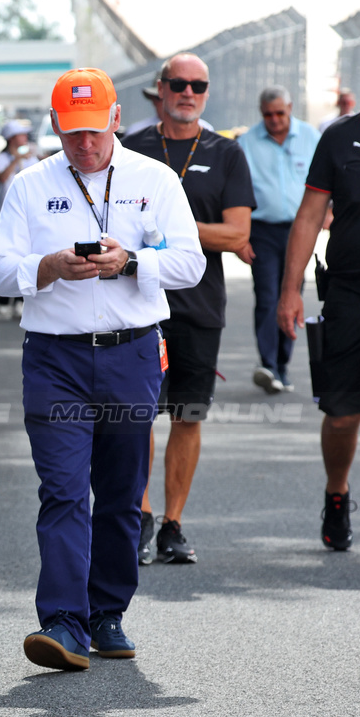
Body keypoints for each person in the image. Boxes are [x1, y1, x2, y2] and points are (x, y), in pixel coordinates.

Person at [0, 67, 204, 671]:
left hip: (131, 352)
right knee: (61, 490)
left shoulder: (153, 179)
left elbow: (191, 264)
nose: (84, 144)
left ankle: (107, 612)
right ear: (56, 124)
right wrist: (48, 267)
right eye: (72, 132)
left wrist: (132, 262)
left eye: (94, 131)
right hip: (55, 358)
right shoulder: (30, 185)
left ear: (114, 119)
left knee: (119, 492)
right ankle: (61, 620)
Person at [122, 53, 255, 566]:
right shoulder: (132, 148)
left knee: (188, 414)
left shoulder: (226, 152)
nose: (188, 92)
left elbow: (237, 233)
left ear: (206, 92)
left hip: (199, 306)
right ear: (161, 89)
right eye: (178, 83)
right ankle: (140, 516)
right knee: (136, 417)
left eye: (197, 85)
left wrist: (173, 231)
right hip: (137, 304)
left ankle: (173, 523)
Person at [278, 42, 360, 552]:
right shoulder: (341, 137)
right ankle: (336, 493)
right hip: (351, 294)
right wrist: (290, 291)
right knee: (342, 413)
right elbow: (310, 216)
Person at [237, 85, 319, 393]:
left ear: (290, 108)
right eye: (268, 115)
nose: (274, 120)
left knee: (293, 294)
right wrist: (241, 236)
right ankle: (268, 364)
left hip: (301, 230)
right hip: (263, 231)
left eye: (279, 113)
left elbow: (329, 179)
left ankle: (283, 364)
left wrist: (330, 212)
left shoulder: (311, 138)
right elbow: (237, 194)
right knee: (268, 296)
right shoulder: (246, 143)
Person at [0, 120, 40, 318]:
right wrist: (15, 159)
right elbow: (2, 177)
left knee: (26, 255)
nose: (25, 138)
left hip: (30, 214)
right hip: (7, 214)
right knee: (7, 256)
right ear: (11, 138)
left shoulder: (32, 156)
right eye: (21, 135)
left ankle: (21, 300)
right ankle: (3, 299)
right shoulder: (1, 158)